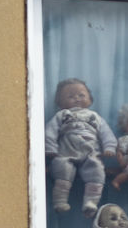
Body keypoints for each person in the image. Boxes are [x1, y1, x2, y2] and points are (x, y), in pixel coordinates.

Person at [45, 78, 117, 215]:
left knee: (97, 170)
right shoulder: (62, 115)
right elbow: (50, 132)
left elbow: (106, 133)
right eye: (70, 96)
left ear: (90, 99)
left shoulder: (95, 116)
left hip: (90, 153)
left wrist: (109, 147)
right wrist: (51, 149)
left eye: (81, 95)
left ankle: (91, 202)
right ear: (59, 102)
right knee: (61, 168)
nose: (77, 98)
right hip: (66, 152)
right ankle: (60, 201)